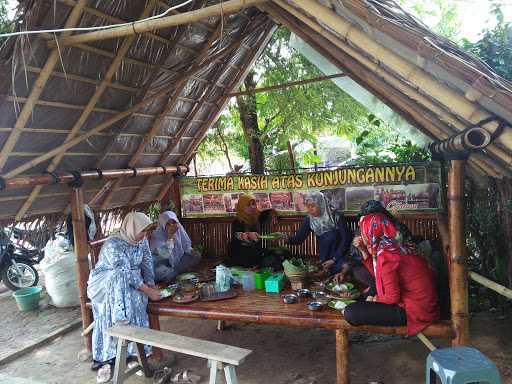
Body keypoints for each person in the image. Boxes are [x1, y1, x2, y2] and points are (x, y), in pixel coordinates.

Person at [87, 212, 162, 384]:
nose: (144, 236)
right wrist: (148, 291)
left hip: (129, 283)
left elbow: (147, 261)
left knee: (137, 299)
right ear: (131, 228)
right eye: (142, 232)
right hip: (105, 284)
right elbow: (123, 272)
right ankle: (105, 360)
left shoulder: (140, 241)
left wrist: (150, 284)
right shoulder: (113, 244)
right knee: (120, 283)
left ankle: (133, 353)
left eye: (145, 232)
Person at [343, 212, 439, 336]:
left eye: (362, 231)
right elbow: (379, 274)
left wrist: (375, 299)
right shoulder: (392, 245)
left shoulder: (386, 255)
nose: (361, 235)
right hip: (422, 304)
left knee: (351, 312)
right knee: (366, 295)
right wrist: (363, 249)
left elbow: (392, 298)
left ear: (371, 233)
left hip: (415, 311)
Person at [285, 192, 354, 277]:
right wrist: (286, 239)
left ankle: (335, 270)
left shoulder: (336, 216)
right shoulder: (309, 220)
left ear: (321, 204)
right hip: (325, 257)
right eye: (308, 206)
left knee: (332, 235)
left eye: (313, 206)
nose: (310, 209)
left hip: (341, 255)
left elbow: (346, 239)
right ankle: (327, 270)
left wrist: (334, 259)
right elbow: (299, 238)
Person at [149, 211, 201, 284]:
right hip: (163, 263)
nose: (171, 225)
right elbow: (164, 255)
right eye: (168, 224)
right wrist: (170, 237)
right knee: (157, 272)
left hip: (177, 261)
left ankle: (174, 273)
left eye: (174, 222)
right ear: (162, 224)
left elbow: (186, 246)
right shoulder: (157, 234)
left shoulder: (179, 228)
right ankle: (175, 273)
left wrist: (191, 251)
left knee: (196, 256)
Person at [228, 193, 275, 268]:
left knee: (274, 258)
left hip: (255, 254)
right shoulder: (238, 221)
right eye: (248, 205)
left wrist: (273, 213)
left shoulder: (256, 217)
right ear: (242, 207)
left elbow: (269, 211)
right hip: (240, 255)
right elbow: (237, 234)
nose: (252, 207)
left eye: (253, 204)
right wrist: (248, 234)